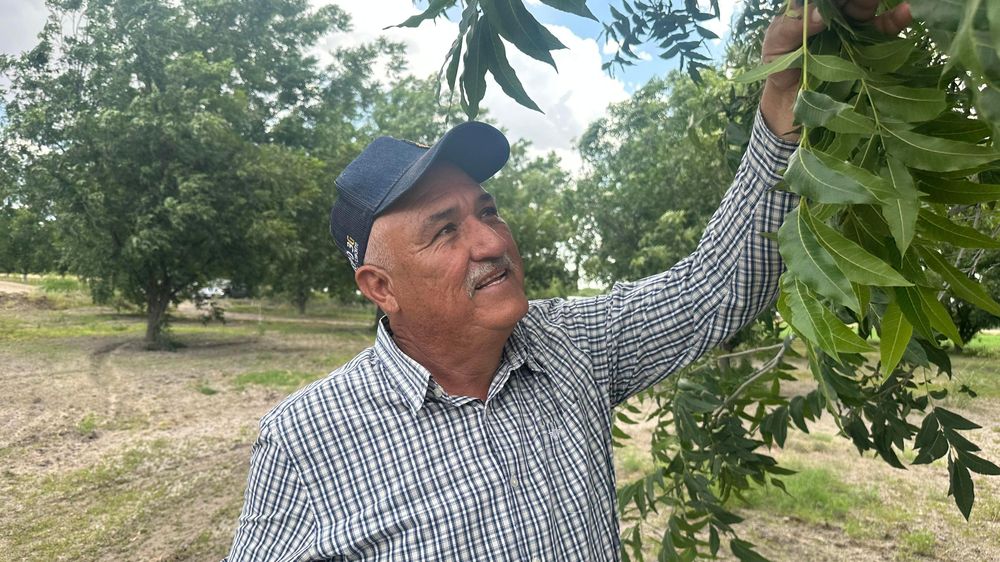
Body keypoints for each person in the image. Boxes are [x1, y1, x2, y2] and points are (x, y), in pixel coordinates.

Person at [224, 2, 912, 560]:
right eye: (446, 230)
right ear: (379, 286)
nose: (493, 241)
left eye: (487, 211)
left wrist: (783, 89)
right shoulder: (307, 442)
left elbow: (716, 288)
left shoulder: (570, 344)